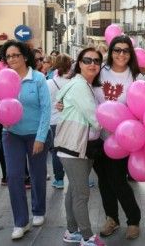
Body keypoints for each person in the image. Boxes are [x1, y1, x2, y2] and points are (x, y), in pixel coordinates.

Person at [93, 35, 143, 240]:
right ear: (110, 52)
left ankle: (133, 219)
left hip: (122, 139)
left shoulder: (136, 77)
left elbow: (141, 107)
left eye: (125, 50)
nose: (121, 54)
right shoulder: (99, 71)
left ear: (130, 54)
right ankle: (111, 218)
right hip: (97, 135)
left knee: (118, 180)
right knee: (103, 181)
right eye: (117, 50)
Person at [1, 40, 51, 240]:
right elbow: (2, 104)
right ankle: (20, 222)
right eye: (9, 56)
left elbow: (46, 109)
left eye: (15, 55)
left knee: (37, 174)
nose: (12, 59)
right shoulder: (4, 78)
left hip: (35, 134)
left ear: (24, 57)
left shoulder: (38, 78)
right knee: (14, 176)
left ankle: (38, 210)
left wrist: (41, 136)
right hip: (11, 134)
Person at [55, 47, 104, 246]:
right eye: (87, 60)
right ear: (79, 63)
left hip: (73, 146)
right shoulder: (80, 86)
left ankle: (71, 231)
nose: (92, 64)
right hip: (73, 147)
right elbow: (95, 119)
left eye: (96, 61)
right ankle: (86, 236)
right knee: (82, 193)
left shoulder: (81, 83)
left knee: (74, 191)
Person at [46, 54, 72, 189]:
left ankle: (59, 179)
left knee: (56, 151)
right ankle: (82, 178)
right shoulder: (72, 83)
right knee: (74, 150)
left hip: (54, 121)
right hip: (71, 121)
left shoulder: (48, 83)